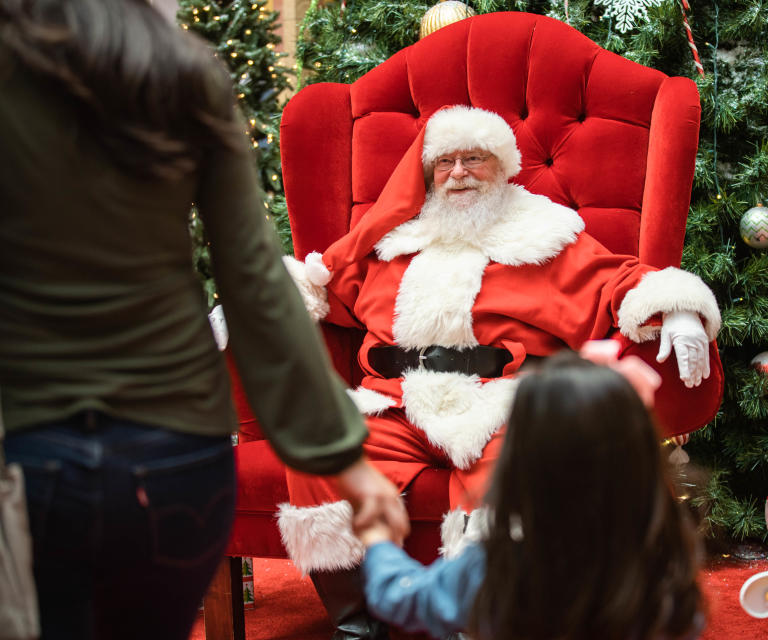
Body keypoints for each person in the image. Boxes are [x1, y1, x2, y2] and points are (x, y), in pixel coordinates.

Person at [0, 1, 407, 639]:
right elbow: (255, 281)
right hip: (180, 453)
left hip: (32, 441)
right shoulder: (181, 69)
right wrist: (340, 456)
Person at [279, 104, 721, 637]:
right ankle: (355, 626)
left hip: (500, 401)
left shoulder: (544, 233)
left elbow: (618, 281)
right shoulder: (395, 238)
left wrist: (677, 307)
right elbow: (321, 286)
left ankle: (489, 621)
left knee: (519, 473)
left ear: (504, 165)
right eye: (445, 162)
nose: (458, 173)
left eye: (474, 159)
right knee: (321, 448)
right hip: (393, 398)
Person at [358, 346, 704, 640]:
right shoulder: (666, 565)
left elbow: (402, 598)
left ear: (520, 462)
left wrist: (378, 540)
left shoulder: (495, 567)